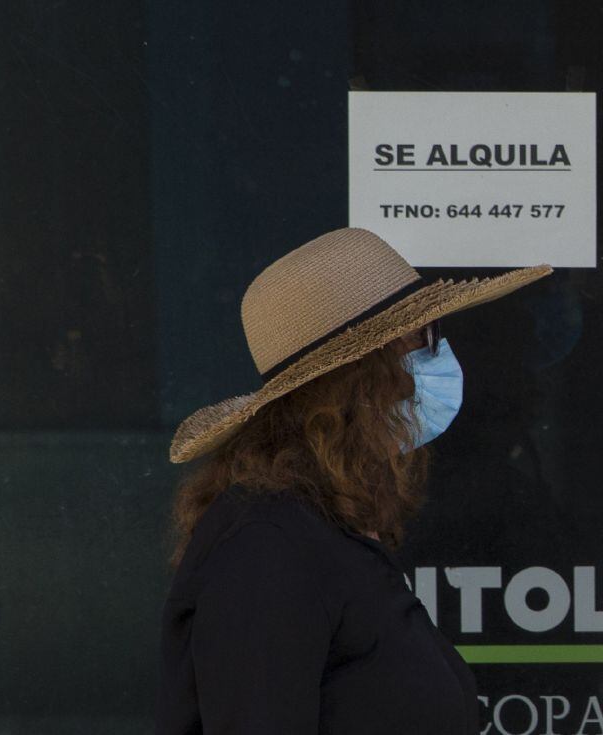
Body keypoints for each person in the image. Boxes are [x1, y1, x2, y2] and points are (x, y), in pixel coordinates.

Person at [154, 227, 552, 734]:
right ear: (365, 377)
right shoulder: (266, 547)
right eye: (423, 339)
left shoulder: (327, 530)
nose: (441, 356)